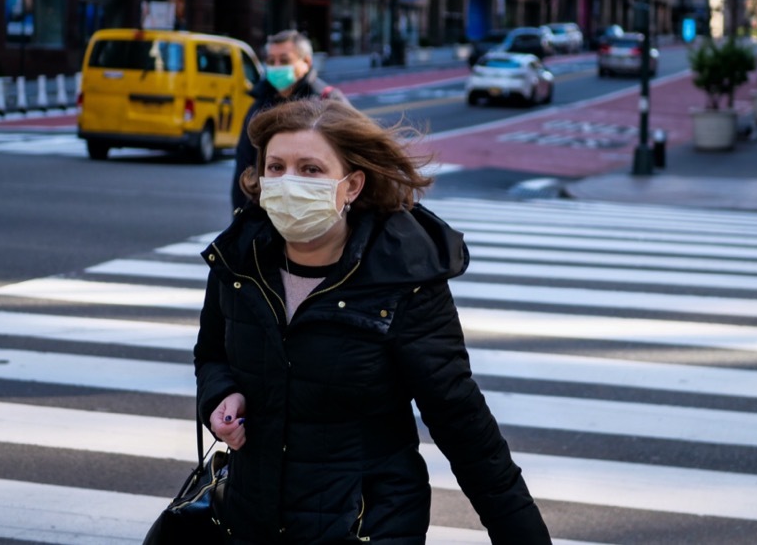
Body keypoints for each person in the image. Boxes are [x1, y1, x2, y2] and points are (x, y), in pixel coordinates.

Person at [195, 99, 552, 544]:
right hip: (253, 519)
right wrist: (220, 395)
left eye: (310, 170)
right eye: (276, 167)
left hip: (367, 525)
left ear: (352, 185)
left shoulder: (403, 277)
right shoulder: (238, 262)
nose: (289, 183)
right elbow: (211, 354)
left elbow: (460, 419)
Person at [230, 29, 343, 213]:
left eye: (284, 61)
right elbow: (244, 165)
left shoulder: (328, 101)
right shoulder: (258, 107)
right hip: (265, 213)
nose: (276, 67)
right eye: (270, 61)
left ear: (306, 62)